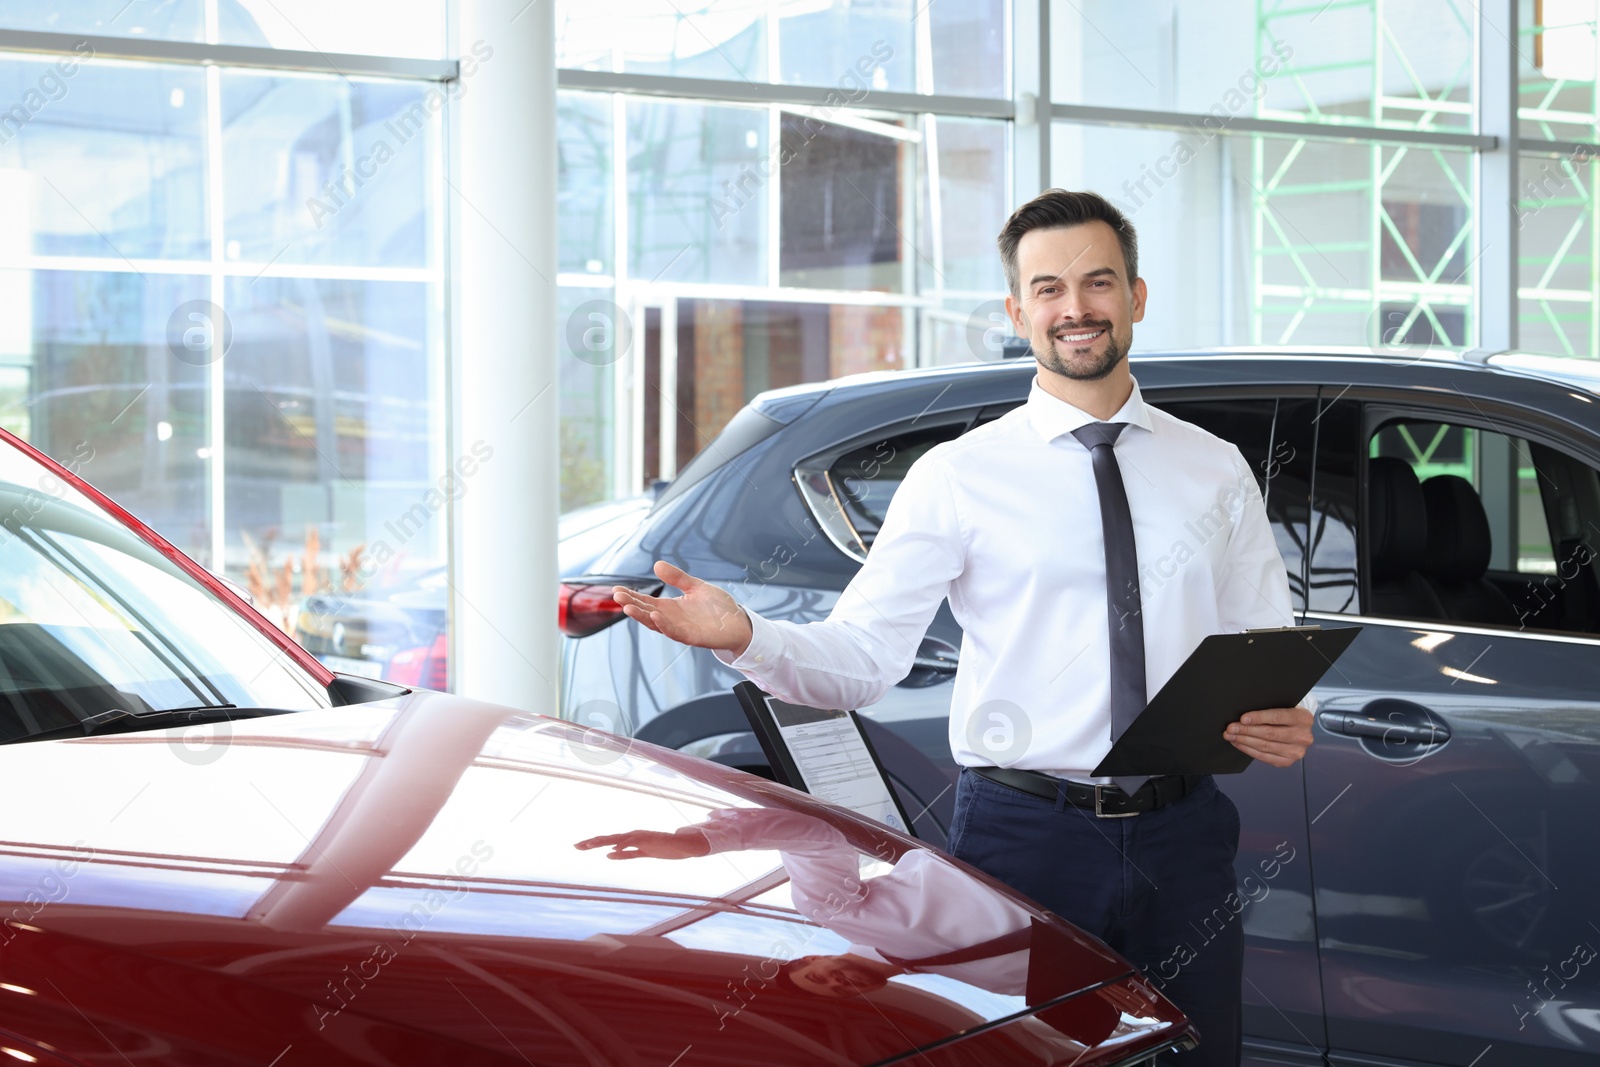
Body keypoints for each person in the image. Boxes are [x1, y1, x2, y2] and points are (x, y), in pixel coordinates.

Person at [611, 188, 1315, 1067]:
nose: (1076, 308)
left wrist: (1283, 718)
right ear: (1020, 312)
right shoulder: (959, 475)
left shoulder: (1214, 469)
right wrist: (744, 632)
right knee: (1022, 1058)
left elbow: (1260, 647)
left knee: (1198, 1059)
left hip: (1187, 834)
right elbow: (865, 659)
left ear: (1136, 296)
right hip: (1028, 837)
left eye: (1098, 283)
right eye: (1049, 289)